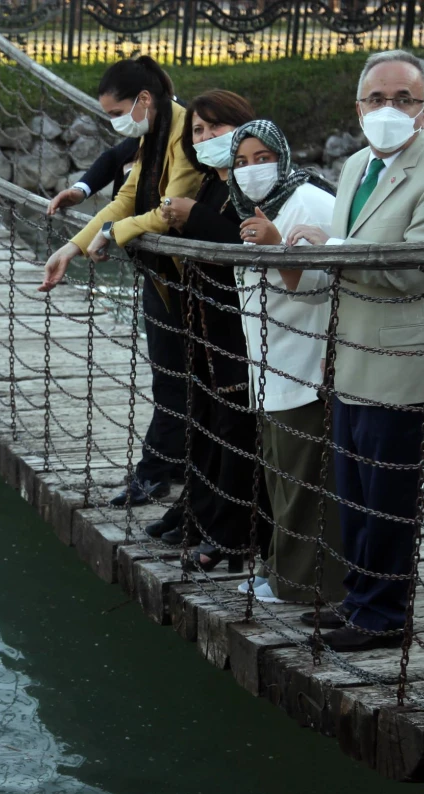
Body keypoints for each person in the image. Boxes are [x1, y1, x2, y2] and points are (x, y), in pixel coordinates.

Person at [271, 50, 424, 651]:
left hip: (404, 364)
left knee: (389, 500)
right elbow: (344, 263)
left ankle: (385, 617)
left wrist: (327, 244)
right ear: (358, 108)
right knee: (354, 494)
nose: (389, 109)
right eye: (376, 99)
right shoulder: (357, 164)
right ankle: (358, 600)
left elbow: (412, 272)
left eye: (403, 99)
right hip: (351, 358)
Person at [38, 56, 203, 508]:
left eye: (115, 113)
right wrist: (70, 248)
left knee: (181, 380)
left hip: (199, 280)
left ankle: (154, 474)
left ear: (143, 100)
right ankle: (175, 468)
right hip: (164, 276)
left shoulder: (188, 132)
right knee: (171, 377)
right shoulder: (155, 128)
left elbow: (169, 209)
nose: (113, 124)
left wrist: (116, 233)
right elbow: (129, 196)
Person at [225, 119, 345, 602]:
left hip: (306, 362)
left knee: (304, 481)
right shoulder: (252, 206)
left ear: (284, 156)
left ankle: (304, 584)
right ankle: (280, 570)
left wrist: (277, 244)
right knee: (279, 473)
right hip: (269, 365)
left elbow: (325, 285)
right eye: (241, 162)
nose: (252, 170)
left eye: (262, 158)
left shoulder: (312, 204)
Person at [152, 90, 266, 574]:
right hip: (202, 326)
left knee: (235, 430)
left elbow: (242, 248)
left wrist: (193, 219)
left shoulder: (252, 188)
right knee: (203, 422)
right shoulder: (206, 185)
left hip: (237, 333)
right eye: (198, 130)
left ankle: (230, 535)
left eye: (217, 127)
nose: (207, 137)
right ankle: (198, 513)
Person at [46, 137, 142, 215]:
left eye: (118, 113)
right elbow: (115, 157)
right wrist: (80, 190)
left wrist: (130, 174)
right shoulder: (144, 134)